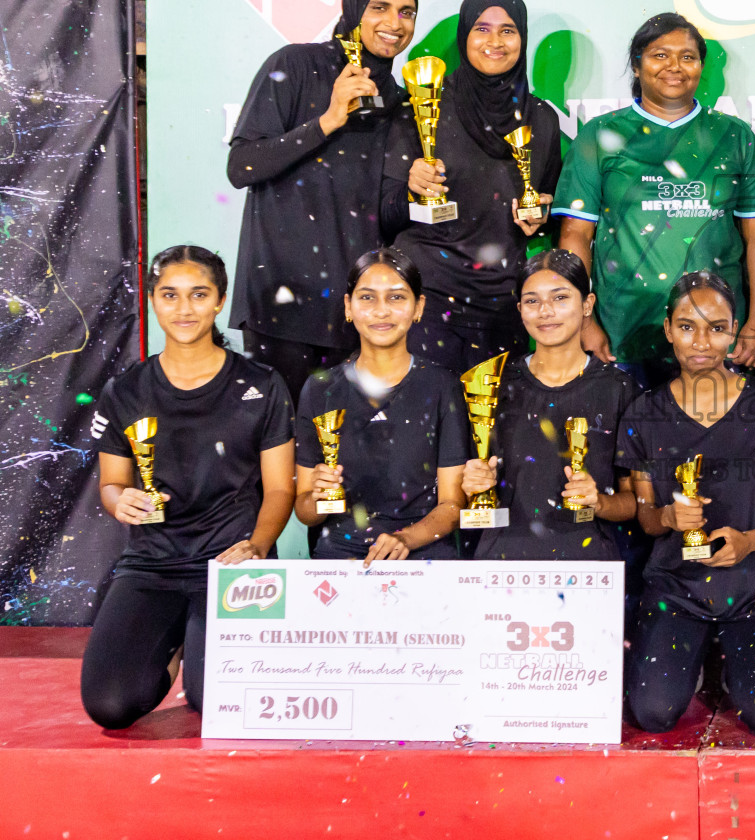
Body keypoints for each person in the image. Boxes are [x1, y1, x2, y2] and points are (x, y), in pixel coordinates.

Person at [82, 246, 294, 728]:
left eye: (198, 295)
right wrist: (123, 502)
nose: (184, 309)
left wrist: (257, 546)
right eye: (170, 295)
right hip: (151, 563)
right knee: (110, 706)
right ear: (153, 301)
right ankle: (176, 639)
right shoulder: (126, 390)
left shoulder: (260, 383)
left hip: (231, 564)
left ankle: (191, 649)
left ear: (219, 301)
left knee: (213, 700)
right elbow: (112, 484)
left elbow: (280, 490)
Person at [620, 272, 755, 736]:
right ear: (667, 330)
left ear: (735, 332)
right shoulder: (643, 412)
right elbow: (646, 518)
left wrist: (751, 541)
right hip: (674, 590)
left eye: (717, 327)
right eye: (687, 326)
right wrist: (666, 516)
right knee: (653, 712)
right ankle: (694, 660)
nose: (701, 341)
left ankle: (735, 664)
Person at [227, 0, 417, 404]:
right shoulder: (295, 65)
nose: (394, 23)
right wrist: (328, 121)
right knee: (283, 457)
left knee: (343, 460)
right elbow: (242, 166)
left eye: (407, 13)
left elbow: (385, 214)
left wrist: (417, 194)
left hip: (356, 313)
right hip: (281, 305)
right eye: (380, 8)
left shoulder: (400, 102)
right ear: (353, 9)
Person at [554, 13, 755, 387]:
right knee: (630, 442)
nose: (675, 66)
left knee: (716, 443)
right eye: (660, 55)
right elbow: (575, 236)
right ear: (637, 65)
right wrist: (585, 321)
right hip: (623, 334)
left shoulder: (735, 137)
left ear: (701, 67)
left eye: (687, 57)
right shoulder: (599, 136)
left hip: (716, 337)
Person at [384, 0, 565, 373]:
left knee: (494, 431)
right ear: (464, 36)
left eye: (508, 30)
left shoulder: (542, 120)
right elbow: (383, 213)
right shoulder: (424, 103)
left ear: (523, 38)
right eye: (481, 29)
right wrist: (412, 190)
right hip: (427, 304)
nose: (494, 41)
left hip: (502, 306)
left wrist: (540, 219)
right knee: (428, 429)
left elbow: (549, 208)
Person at [460, 250, 639, 560]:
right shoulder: (487, 384)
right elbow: (455, 496)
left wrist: (599, 502)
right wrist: (471, 486)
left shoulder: (620, 391)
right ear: (519, 309)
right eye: (532, 301)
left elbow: (636, 503)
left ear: (587, 304)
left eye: (560, 298)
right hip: (501, 566)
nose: (545, 311)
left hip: (587, 570)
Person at [294, 248, 469, 563]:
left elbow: (452, 506)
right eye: (367, 298)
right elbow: (305, 512)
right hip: (339, 560)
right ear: (348, 307)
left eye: (397, 298)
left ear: (419, 307)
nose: (381, 311)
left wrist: (406, 539)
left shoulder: (443, 387)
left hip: (424, 555)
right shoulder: (320, 390)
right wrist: (319, 499)